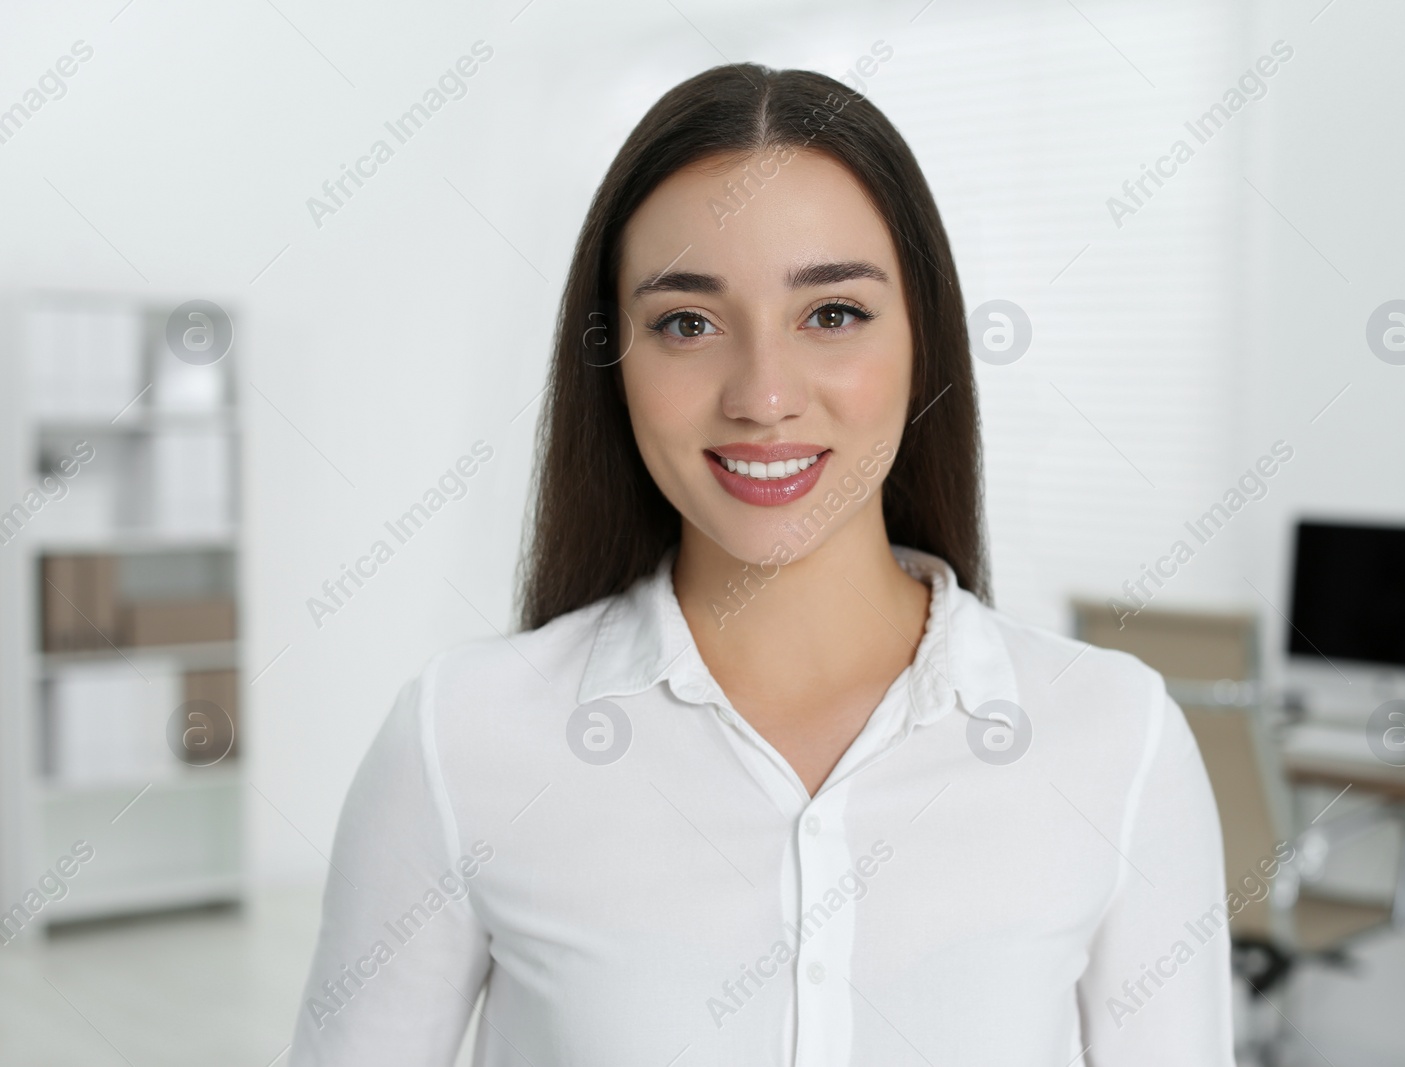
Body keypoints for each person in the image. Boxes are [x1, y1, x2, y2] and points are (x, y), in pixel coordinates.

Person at [289, 62, 1235, 1066]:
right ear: (612, 360)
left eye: (831, 313)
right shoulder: (464, 738)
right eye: (686, 323)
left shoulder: (1113, 741)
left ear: (925, 341)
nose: (763, 394)